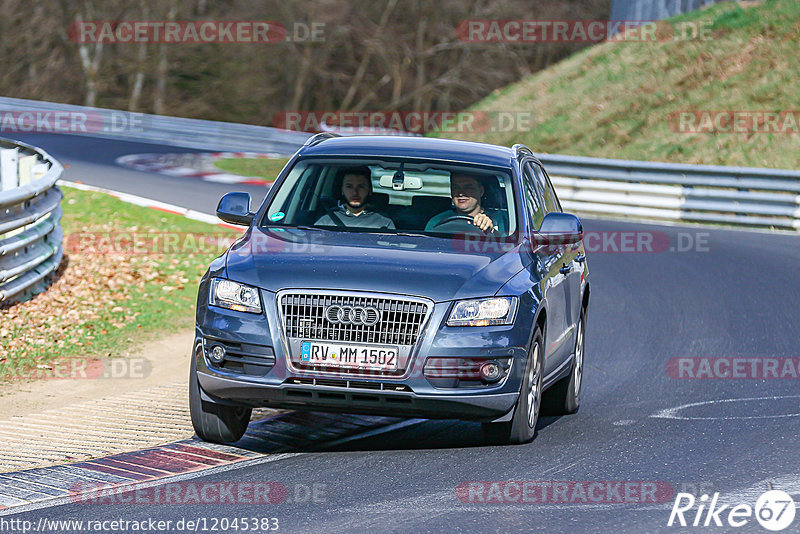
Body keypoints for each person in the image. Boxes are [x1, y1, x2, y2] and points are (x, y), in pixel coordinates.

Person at [315, 166, 396, 229]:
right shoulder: (325, 222)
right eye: (349, 186)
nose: (355, 192)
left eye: (361, 186)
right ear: (342, 190)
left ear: (370, 190)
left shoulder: (384, 224)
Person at [425, 173, 507, 233]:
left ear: (481, 191)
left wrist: (490, 229)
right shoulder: (437, 220)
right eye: (456, 187)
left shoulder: (503, 219)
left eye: (468, 187)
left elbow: (509, 248)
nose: (461, 193)